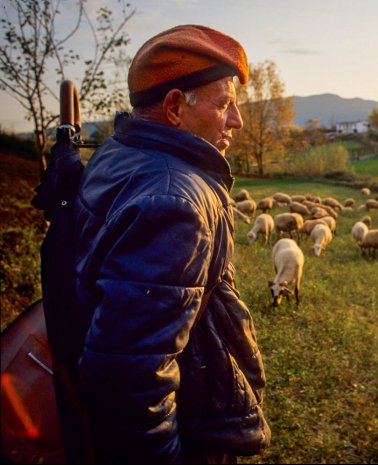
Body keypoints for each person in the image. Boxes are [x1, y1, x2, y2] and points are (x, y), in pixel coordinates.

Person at [71, 25, 270, 463]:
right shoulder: (175, 200)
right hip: (191, 423)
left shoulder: (117, 153)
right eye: (224, 105)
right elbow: (131, 377)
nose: (235, 121)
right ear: (176, 107)